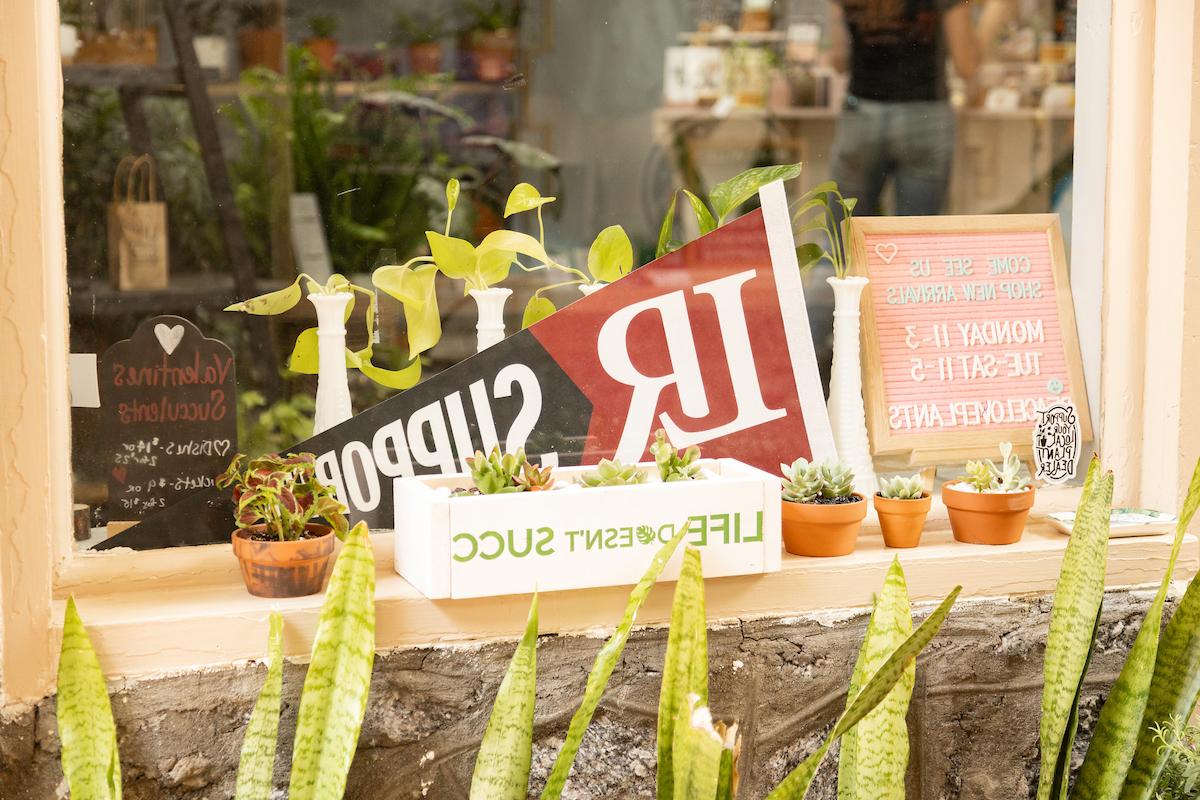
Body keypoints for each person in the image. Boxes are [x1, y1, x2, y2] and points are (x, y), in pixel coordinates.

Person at [825, 0, 985, 215]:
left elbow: (839, 60)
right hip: (925, 115)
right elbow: (966, 65)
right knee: (916, 238)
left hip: (862, 113)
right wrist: (998, 12)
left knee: (845, 235)